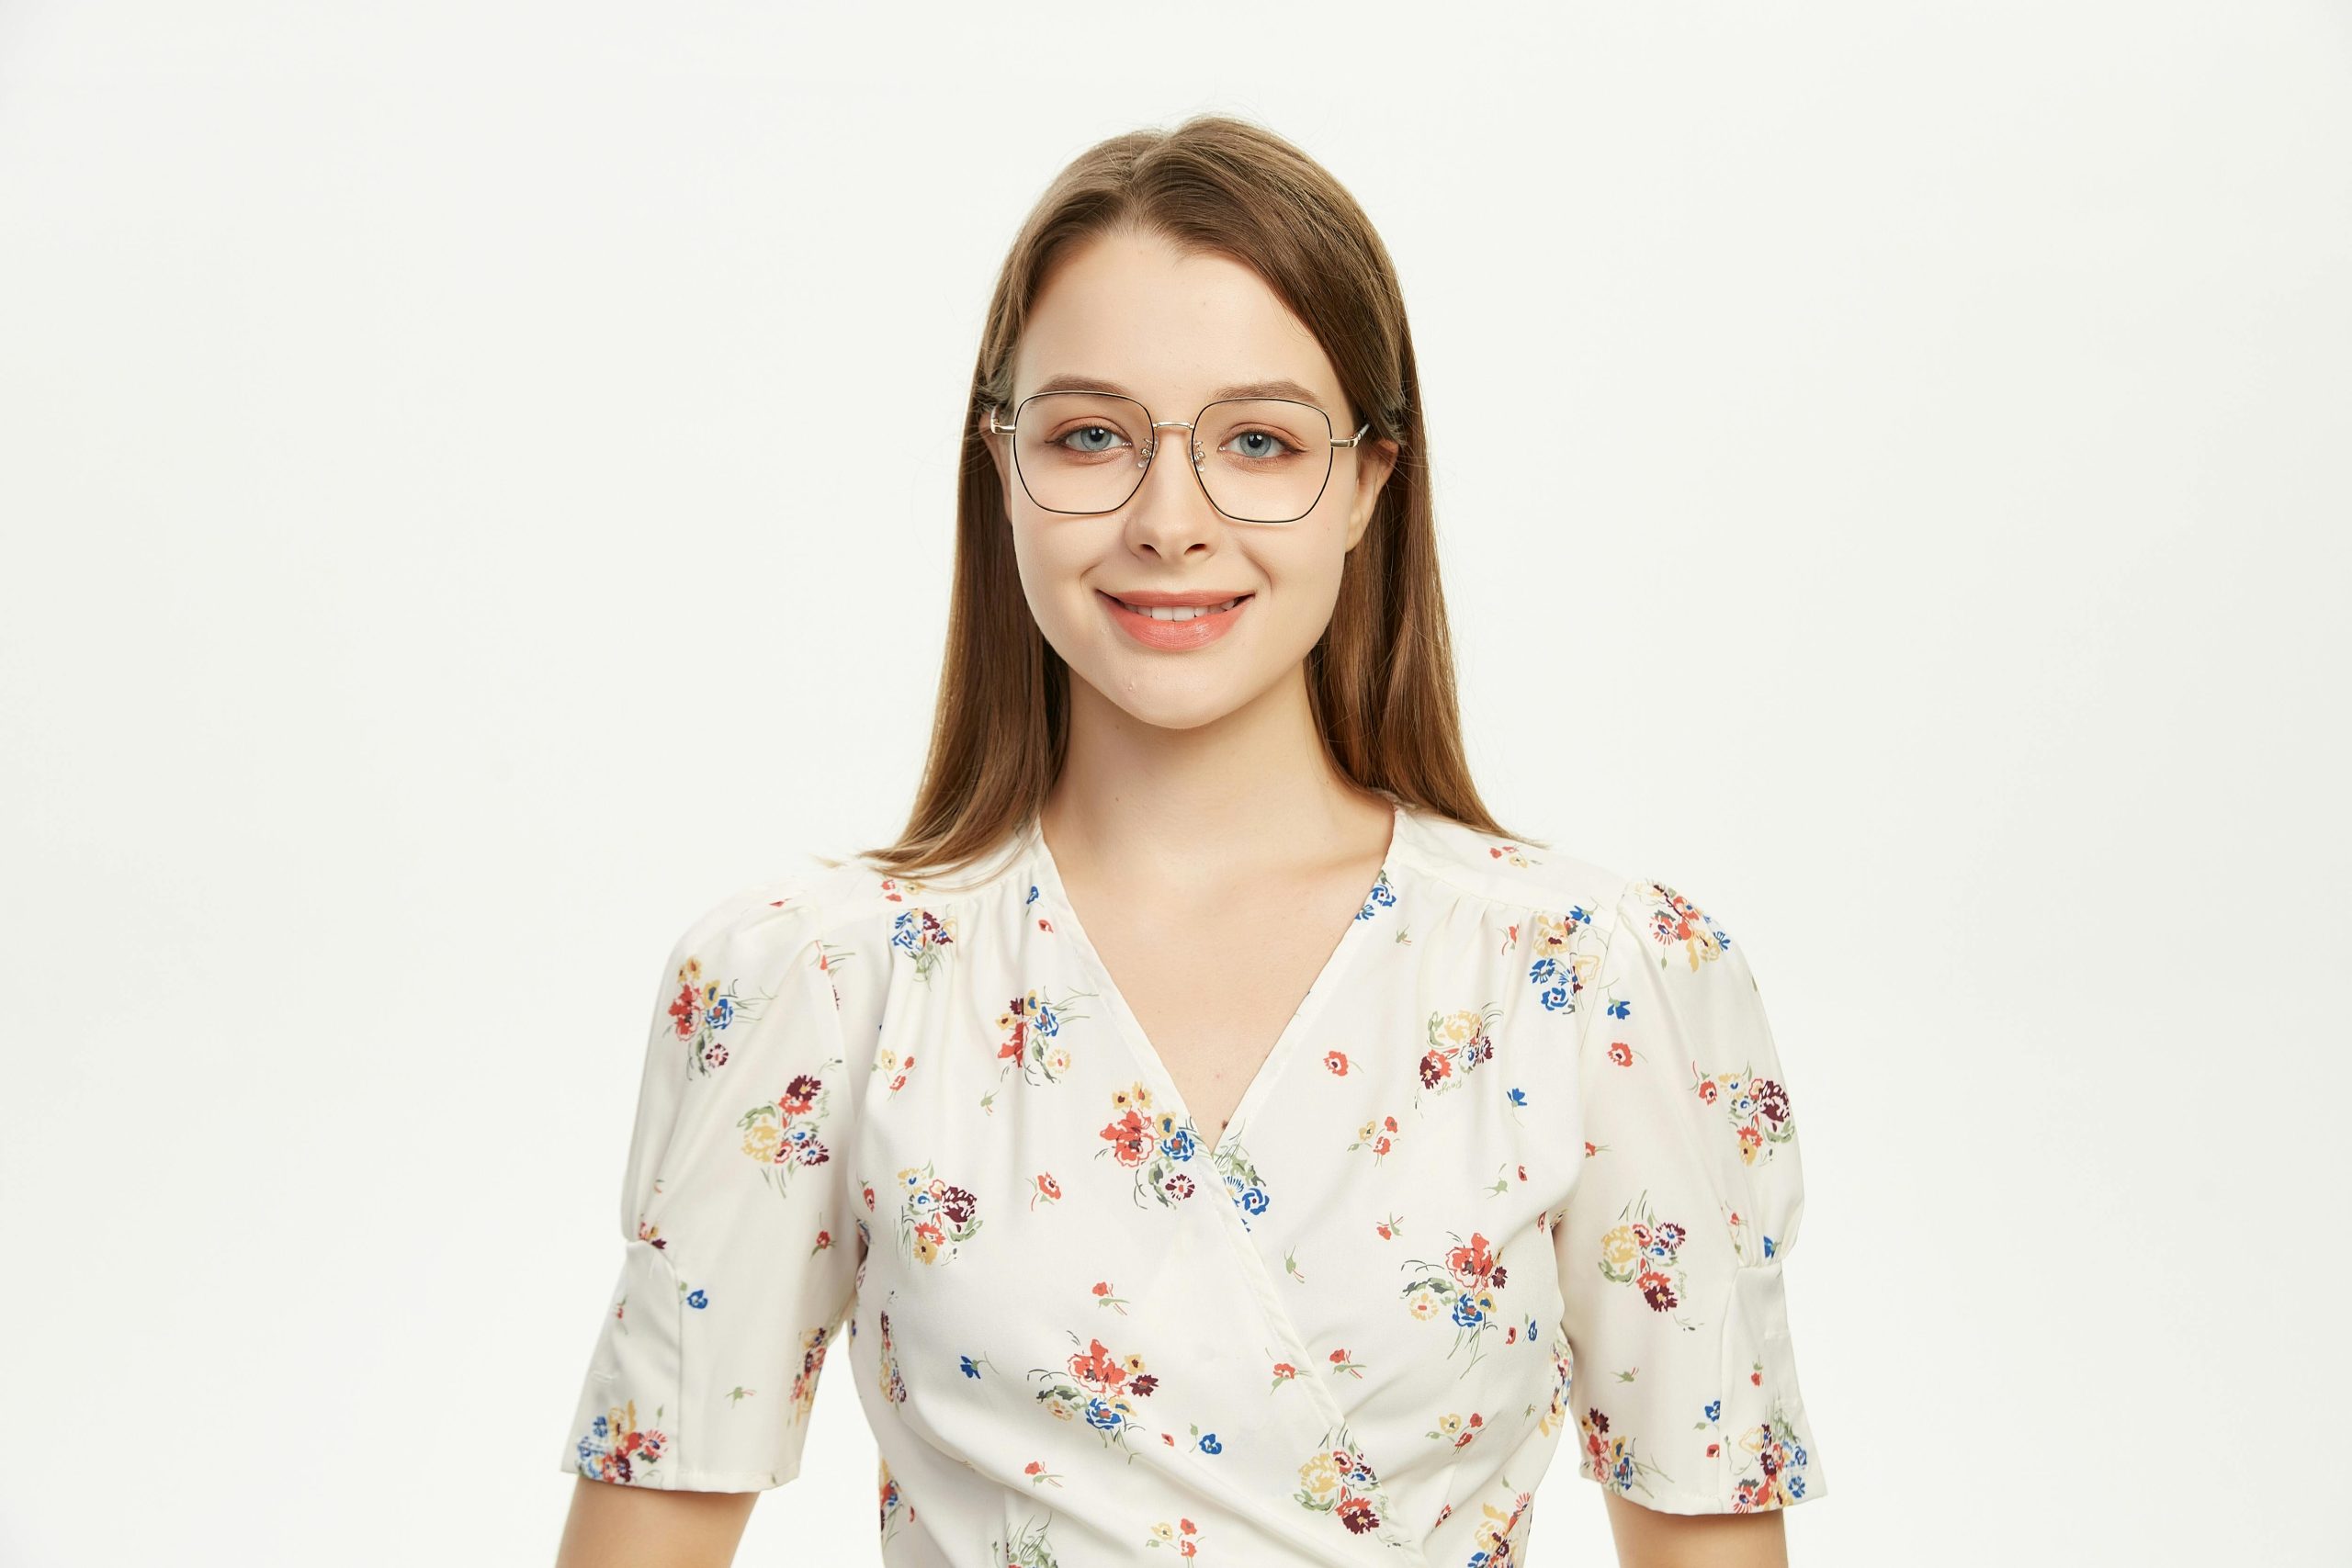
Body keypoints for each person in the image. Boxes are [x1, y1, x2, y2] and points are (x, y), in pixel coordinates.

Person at [553, 114, 1826, 1568]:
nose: (1170, 521)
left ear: (1371, 479)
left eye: (1259, 442)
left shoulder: (1599, 978)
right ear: (1000, 464)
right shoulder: (819, 980)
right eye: (1091, 436)